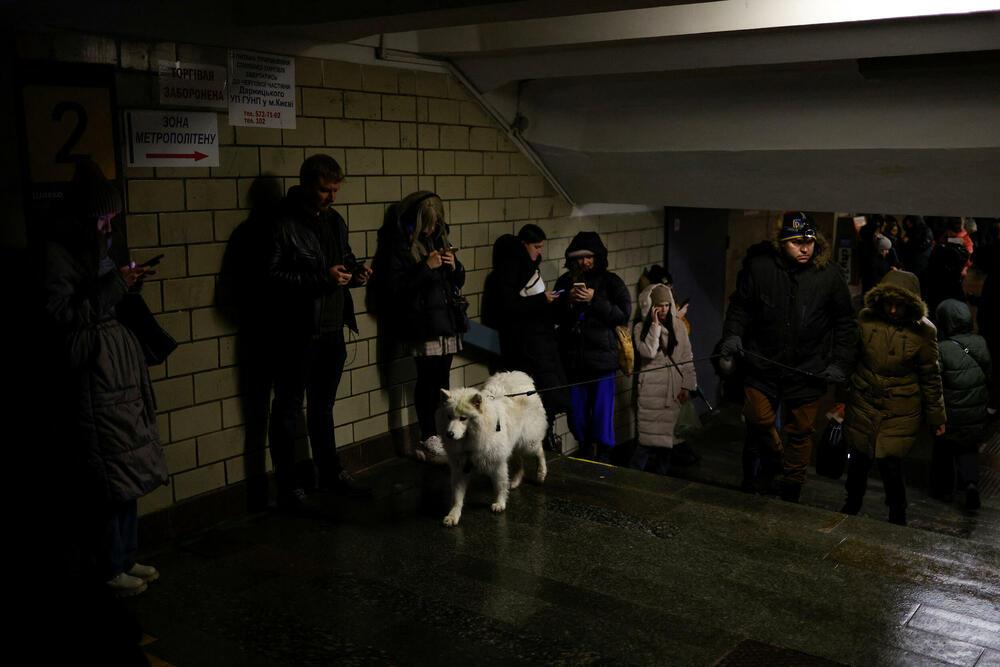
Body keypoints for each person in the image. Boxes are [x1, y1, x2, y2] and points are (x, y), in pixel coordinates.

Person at [42, 159, 168, 597]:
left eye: (112, 218)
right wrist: (116, 285)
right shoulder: (57, 255)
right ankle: (109, 565)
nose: (108, 226)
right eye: (103, 218)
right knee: (105, 477)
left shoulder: (98, 247)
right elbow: (63, 317)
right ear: (83, 216)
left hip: (116, 374)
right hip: (93, 379)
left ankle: (127, 556)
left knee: (127, 467)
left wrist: (123, 282)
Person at [720, 212, 857, 502]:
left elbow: (845, 323)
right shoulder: (760, 269)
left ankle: (792, 486)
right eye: (796, 243)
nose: (805, 248)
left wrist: (839, 364)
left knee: (801, 431)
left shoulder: (829, 275)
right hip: (762, 364)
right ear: (782, 243)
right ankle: (775, 462)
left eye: (809, 242)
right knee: (758, 419)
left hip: (809, 370)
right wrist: (732, 334)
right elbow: (740, 307)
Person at [267, 154, 372, 509]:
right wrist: (321, 279)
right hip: (296, 331)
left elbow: (344, 258)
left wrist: (356, 274)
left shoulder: (335, 220)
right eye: (326, 190)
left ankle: (330, 473)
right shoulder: (282, 223)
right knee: (287, 408)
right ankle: (288, 487)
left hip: (331, 327)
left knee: (323, 407)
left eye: (335, 190)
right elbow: (270, 279)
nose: (332, 197)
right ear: (308, 184)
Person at [841, 271, 946, 525]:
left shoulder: (924, 332)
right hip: (864, 400)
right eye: (889, 303)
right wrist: (841, 396)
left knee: (891, 464)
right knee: (858, 458)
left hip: (900, 408)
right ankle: (851, 503)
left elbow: (930, 376)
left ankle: (898, 512)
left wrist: (936, 416)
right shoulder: (866, 320)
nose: (893, 310)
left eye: (899, 305)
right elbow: (850, 359)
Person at [372, 191, 466, 461]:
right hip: (422, 323)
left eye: (436, 223)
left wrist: (453, 266)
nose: (432, 228)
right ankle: (428, 437)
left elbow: (458, 279)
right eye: (428, 223)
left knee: (442, 382)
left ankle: (443, 434)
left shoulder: (438, 237)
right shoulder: (399, 244)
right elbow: (393, 288)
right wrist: (426, 267)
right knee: (427, 381)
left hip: (446, 320)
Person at [482, 224, 570, 449]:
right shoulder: (513, 272)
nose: (539, 252)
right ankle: (542, 441)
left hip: (532, 348)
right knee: (538, 399)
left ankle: (541, 440)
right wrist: (542, 302)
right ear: (523, 245)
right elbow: (509, 308)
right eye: (536, 246)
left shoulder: (510, 273)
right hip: (528, 350)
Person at [553, 231, 631, 461]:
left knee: (601, 415)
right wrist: (568, 302)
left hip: (602, 363)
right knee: (576, 415)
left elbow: (623, 315)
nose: (584, 262)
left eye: (588, 257)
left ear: (597, 257)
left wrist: (594, 301)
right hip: (573, 362)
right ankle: (585, 453)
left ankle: (604, 460)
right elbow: (553, 314)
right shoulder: (564, 283)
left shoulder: (611, 282)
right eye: (578, 258)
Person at [630, 283, 697, 474]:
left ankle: (662, 480)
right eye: (660, 306)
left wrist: (688, 386)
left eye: (668, 305)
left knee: (667, 444)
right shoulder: (640, 328)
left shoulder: (679, 327)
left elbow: (687, 356)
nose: (665, 310)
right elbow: (648, 352)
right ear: (651, 306)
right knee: (645, 442)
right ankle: (631, 478)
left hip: (673, 390)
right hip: (651, 392)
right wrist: (655, 326)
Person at [930, 299, 990, 510]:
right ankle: (971, 484)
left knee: (944, 449)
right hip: (975, 410)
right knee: (968, 448)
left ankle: (944, 491)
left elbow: (936, 381)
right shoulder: (980, 342)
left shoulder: (943, 348)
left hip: (951, 412)